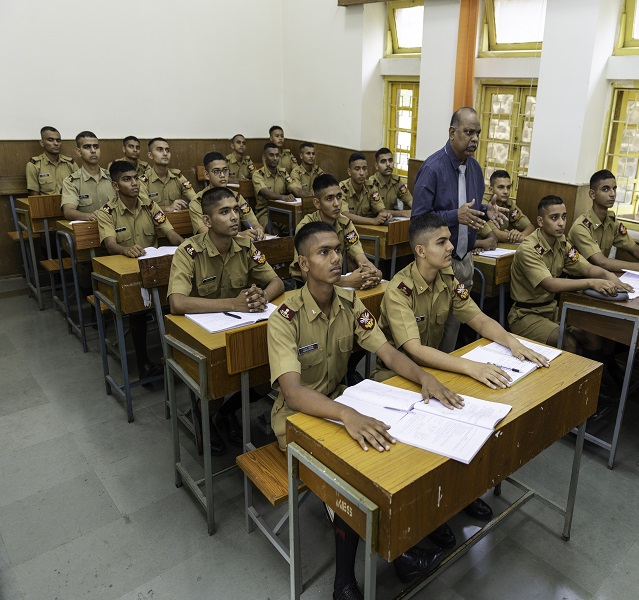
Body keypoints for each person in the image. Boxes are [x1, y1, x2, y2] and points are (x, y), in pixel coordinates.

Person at [268, 220, 463, 597]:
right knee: (350, 477)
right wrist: (346, 415)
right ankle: (346, 581)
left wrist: (423, 377)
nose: (335, 258)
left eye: (337, 250)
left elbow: (387, 351)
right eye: (323, 252)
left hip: (343, 402)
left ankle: (406, 538)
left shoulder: (349, 301)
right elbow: (292, 393)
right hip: (297, 419)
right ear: (303, 264)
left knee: (396, 443)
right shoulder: (284, 318)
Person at [375, 212, 550, 548]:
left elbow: (478, 318)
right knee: (434, 433)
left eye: (449, 240)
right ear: (421, 250)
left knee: (472, 417)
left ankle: (460, 494)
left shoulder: (447, 277)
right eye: (442, 242)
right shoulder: (399, 290)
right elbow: (414, 350)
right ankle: (430, 512)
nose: (451, 247)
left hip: (437, 369)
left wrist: (512, 342)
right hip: (397, 377)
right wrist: (471, 367)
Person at [168, 186, 284, 454]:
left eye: (235, 210)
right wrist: (234, 303)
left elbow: (276, 281)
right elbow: (177, 303)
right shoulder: (188, 251)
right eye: (224, 212)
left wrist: (262, 297)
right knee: (218, 378)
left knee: (269, 373)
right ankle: (204, 416)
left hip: (237, 326)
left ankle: (227, 411)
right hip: (201, 335)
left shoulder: (246, 245)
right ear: (207, 221)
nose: (234, 217)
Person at [412, 107, 508, 352]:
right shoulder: (432, 168)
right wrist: (456, 216)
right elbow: (418, 220)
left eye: (478, 133)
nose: (474, 139)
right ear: (452, 132)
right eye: (468, 132)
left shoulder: (474, 168)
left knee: (452, 331)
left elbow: (468, 205)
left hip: (464, 261)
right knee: (429, 334)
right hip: (436, 265)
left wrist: (486, 210)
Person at [508, 195, 631, 353]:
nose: (561, 223)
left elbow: (587, 268)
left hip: (551, 309)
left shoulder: (561, 243)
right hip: (526, 315)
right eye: (554, 218)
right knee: (568, 342)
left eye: (564, 217)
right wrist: (591, 282)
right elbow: (550, 284)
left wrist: (608, 275)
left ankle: (593, 369)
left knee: (593, 337)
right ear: (540, 221)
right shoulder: (528, 249)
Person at [95, 161, 184, 380]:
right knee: (137, 309)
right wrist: (125, 249)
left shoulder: (151, 206)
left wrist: (185, 246)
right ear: (115, 185)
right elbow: (110, 244)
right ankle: (143, 364)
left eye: (136, 178)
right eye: (127, 179)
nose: (134, 183)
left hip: (153, 269)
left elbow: (170, 233)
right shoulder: (107, 212)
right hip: (126, 274)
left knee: (177, 297)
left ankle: (179, 357)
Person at [568, 169, 639, 274]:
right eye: (605, 189)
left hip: (598, 276)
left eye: (614, 189)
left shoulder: (611, 222)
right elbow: (602, 262)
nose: (612, 194)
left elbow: (634, 249)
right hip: (576, 279)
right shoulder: (581, 227)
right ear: (592, 194)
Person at [289, 174, 382, 290]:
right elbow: (306, 277)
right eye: (329, 198)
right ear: (317, 203)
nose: (336, 203)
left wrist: (373, 274)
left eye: (339, 197)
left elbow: (362, 259)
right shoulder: (306, 227)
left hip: (335, 282)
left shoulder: (345, 223)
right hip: (307, 288)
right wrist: (347, 281)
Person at [188, 151, 263, 239]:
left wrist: (258, 229)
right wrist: (240, 235)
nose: (222, 175)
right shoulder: (197, 202)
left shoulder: (236, 197)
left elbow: (252, 221)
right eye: (216, 171)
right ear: (207, 175)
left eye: (225, 170)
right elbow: (205, 233)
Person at [61, 131, 115, 221]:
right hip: (89, 226)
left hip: (115, 225)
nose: (93, 151)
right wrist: (88, 216)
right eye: (87, 147)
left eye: (96, 147)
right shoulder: (71, 182)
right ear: (79, 152)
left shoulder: (112, 176)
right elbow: (68, 211)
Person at [477, 170, 534, 243]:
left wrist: (519, 235)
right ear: (491, 190)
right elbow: (497, 235)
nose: (506, 191)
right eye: (501, 187)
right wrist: (524, 239)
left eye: (508, 187)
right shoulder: (484, 205)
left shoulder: (508, 204)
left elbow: (530, 227)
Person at [142, 137, 195, 212]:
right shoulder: (144, 181)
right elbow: (143, 208)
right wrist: (167, 208)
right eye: (160, 150)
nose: (165, 153)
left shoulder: (178, 176)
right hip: (152, 219)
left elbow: (194, 197)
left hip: (176, 218)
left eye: (167, 150)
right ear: (150, 155)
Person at [340, 152, 391, 225]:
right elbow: (345, 215)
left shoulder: (370, 186)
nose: (362, 173)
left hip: (366, 229)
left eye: (364, 169)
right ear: (349, 172)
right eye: (357, 169)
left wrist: (385, 215)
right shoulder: (342, 188)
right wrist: (373, 221)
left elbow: (380, 208)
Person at [252, 141, 295, 228]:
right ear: (265, 157)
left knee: (295, 227)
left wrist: (307, 195)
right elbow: (265, 193)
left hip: (282, 210)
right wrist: (283, 197)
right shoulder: (258, 174)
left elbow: (294, 187)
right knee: (274, 231)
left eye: (277, 155)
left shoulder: (283, 172)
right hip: (264, 212)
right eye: (271, 155)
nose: (275, 158)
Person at [26, 126, 77, 195]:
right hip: (46, 201)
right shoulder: (34, 165)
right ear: (42, 143)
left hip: (69, 201)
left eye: (58, 140)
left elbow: (80, 188)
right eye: (50, 140)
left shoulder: (70, 163)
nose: (56, 143)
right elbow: (35, 197)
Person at [367, 148, 412, 216]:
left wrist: (417, 211)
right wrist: (403, 213)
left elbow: (410, 200)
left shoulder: (396, 181)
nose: (388, 164)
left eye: (390, 160)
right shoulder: (372, 183)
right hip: (373, 220)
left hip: (390, 219)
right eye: (383, 161)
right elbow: (381, 212)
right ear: (376, 166)